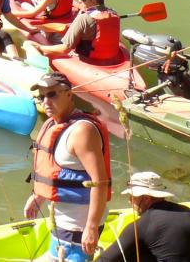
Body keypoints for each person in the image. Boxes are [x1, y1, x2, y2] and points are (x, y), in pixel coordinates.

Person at [24, 72, 112, 262]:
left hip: (78, 229)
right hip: (61, 225)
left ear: (69, 94)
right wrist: (39, 196)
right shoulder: (51, 124)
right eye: (41, 96)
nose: (45, 101)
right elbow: (53, 171)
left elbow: (100, 182)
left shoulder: (82, 131)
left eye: (52, 94)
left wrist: (91, 227)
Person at [94, 172, 190, 262]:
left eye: (132, 197)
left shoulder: (142, 225)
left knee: (131, 254)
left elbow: (105, 260)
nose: (129, 201)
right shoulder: (187, 211)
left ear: (146, 198)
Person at [33, 0, 122, 66]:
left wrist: (39, 47)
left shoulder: (83, 18)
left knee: (50, 38)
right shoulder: (114, 14)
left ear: (94, 1)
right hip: (111, 57)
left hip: (89, 59)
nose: (79, 1)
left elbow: (64, 50)